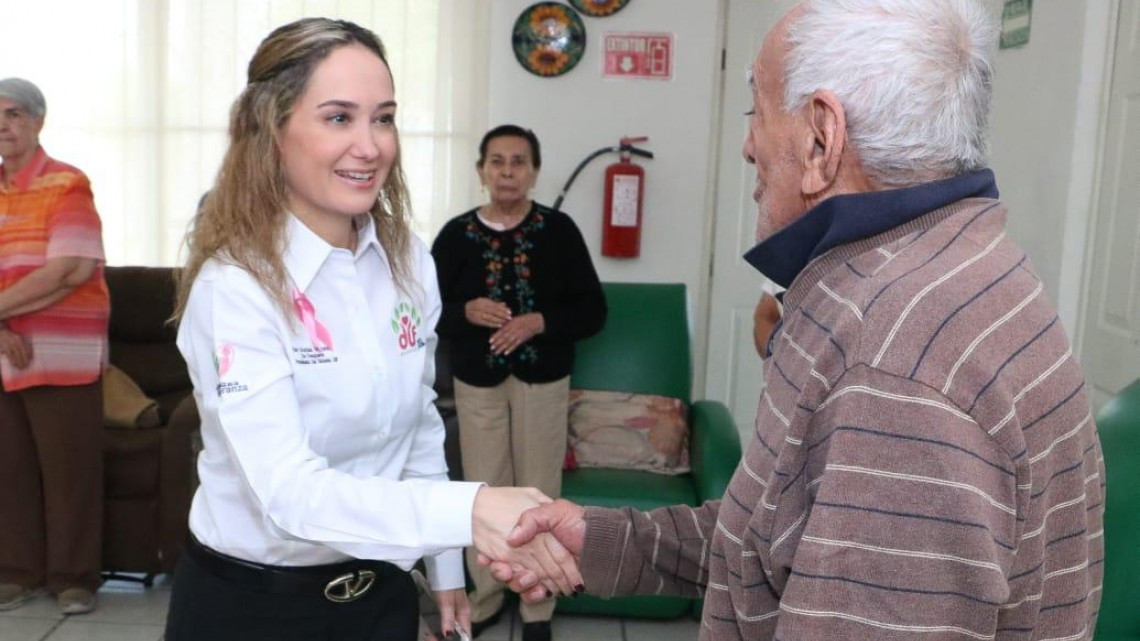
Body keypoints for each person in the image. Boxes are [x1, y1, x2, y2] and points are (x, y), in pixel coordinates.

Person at [490, 2, 1106, 640]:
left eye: (757, 108)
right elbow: (783, 533)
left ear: (820, 138)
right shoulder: (947, 265)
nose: (747, 145)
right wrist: (604, 540)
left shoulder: (895, 372)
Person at [165, 19, 579, 641]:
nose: (371, 146)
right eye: (339, 118)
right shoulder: (236, 288)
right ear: (272, 132)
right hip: (253, 607)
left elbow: (417, 429)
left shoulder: (409, 259)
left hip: (379, 597)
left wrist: (444, 572)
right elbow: (290, 494)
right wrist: (470, 512)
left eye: (382, 118)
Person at [431, 124, 606, 641]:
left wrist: (539, 321)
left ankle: (537, 607)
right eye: (497, 161)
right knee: (482, 490)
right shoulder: (455, 235)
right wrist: (465, 309)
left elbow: (593, 310)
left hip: (543, 379)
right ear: (481, 169)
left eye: (519, 162)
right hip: (477, 380)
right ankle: (484, 597)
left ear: (533, 171)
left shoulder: (559, 231)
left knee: (540, 494)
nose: (508, 171)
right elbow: (424, 313)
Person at [0, 78, 110, 616]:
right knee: (9, 471)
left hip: (62, 353)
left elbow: (70, 269)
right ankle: (18, 573)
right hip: (4, 350)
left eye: (14, 113)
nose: (3, 125)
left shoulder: (68, 184)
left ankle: (75, 580)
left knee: (70, 474)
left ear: (39, 121)